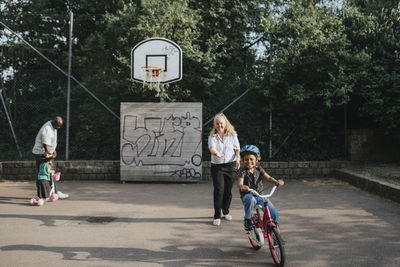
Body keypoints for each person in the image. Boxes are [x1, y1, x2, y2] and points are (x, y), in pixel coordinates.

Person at [237, 145, 284, 231]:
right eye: (246, 159)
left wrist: (276, 182)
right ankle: (247, 219)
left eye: (251, 159)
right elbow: (240, 183)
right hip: (247, 194)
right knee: (251, 199)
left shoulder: (259, 169)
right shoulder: (242, 171)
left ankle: (276, 234)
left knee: (274, 213)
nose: (249, 161)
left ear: (257, 159)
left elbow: (268, 178)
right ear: (243, 160)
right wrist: (243, 187)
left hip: (259, 195)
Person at [208, 113, 240, 226]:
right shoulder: (212, 136)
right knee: (219, 190)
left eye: (221, 123)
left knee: (228, 191)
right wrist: (216, 153)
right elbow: (211, 148)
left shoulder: (232, 135)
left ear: (225, 123)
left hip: (231, 166)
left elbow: (237, 148)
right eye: (217, 123)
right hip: (217, 166)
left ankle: (226, 211)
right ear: (214, 124)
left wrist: (238, 160)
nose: (219, 125)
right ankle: (217, 215)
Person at [32, 116, 68, 199]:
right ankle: (44, 194)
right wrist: (49, 155)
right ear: (55, 122)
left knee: (49, 173)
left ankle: (52, 192)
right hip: (42, 154)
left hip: (46, 153)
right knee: (44, 174)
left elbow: (50, 142)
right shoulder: (47, 130)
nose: (58, 128)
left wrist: (53, 150)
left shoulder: (52, 126)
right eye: (58, 125)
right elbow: (45, 145)